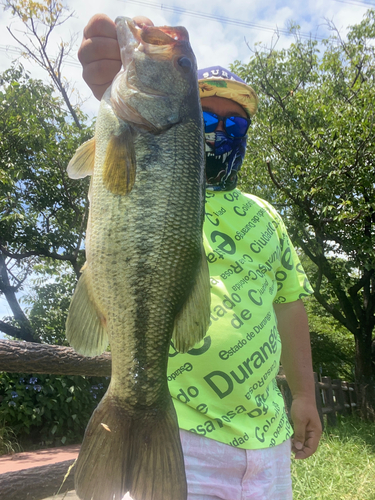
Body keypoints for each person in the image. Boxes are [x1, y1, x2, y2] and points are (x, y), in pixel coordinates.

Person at [77, 14, 322, 500]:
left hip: (267, 438)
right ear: (189, 120)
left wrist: (304, 394)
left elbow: (289, 303)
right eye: (207, 118)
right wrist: (111, 84)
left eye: (237, 123)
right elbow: (127, 162)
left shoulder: (266, 213)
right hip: (177, 433)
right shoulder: (175, 182)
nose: (222, 130)